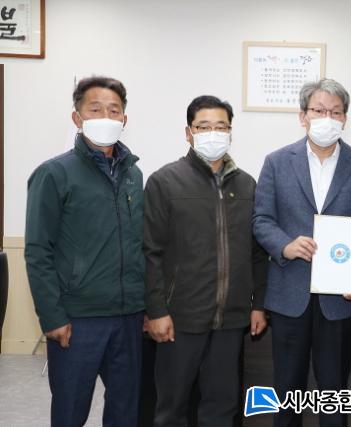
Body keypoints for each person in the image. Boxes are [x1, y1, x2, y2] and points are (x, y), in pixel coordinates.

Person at [252, 78, 351, 426]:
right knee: (287, 394)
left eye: (335, 112)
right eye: (319, 110)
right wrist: (285, 245)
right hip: (289, 296)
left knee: (334, 396)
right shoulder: (277, 162)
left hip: (340, 300)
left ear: (345, 118)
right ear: (303, 116)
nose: (328, 118)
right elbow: (261, 220)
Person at [24, 76, 145, 427]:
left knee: (126, 410)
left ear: (124, 119)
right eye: (95, 109)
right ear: (77, 117)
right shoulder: (53, 174)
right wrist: (52, 317)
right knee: (70, 410)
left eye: (114, 110)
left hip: (128, 316)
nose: (106, 117)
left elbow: (139, 244)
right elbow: (37, 251)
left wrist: (146, 306)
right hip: (77, 319)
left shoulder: (133, 174)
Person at [144, 95, 268, 426]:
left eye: (221, 127)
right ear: (189, 133)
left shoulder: (247, 184)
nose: (213, 133)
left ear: (231, 133)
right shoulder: (164, 181)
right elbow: (150, 251)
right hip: (180, 317)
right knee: (172, 407)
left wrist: (258, 305)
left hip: (231, 319)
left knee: (222, 406)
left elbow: (257, 252)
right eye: (204, 127)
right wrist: (156, 311)